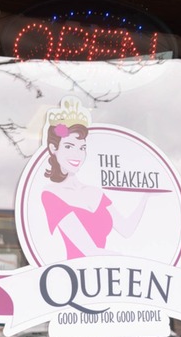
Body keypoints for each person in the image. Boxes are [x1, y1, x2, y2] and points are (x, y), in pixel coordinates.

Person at [41, 98, 153, 259]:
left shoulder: (95, 192)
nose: (77, 154)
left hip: (105, 276)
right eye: (68, 146)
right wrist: (132, 260)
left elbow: (126, 229)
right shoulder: (51, 195)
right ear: (53, 149)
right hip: (76, 277)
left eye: (82, 148)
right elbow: (89, 251)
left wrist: (145, 197)